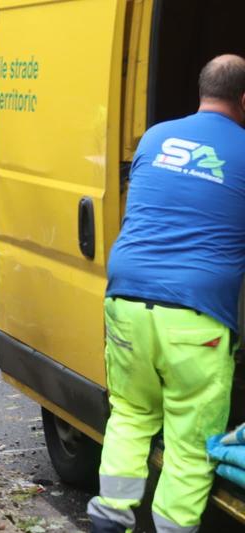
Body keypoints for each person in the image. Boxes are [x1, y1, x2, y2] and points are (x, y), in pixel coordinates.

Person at [87, 54, 245, 533]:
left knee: (131, 413)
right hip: (195, 314)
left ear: (202, 90)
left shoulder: (155, 137)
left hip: (127, 298)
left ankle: (110, 519)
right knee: (191, 439)